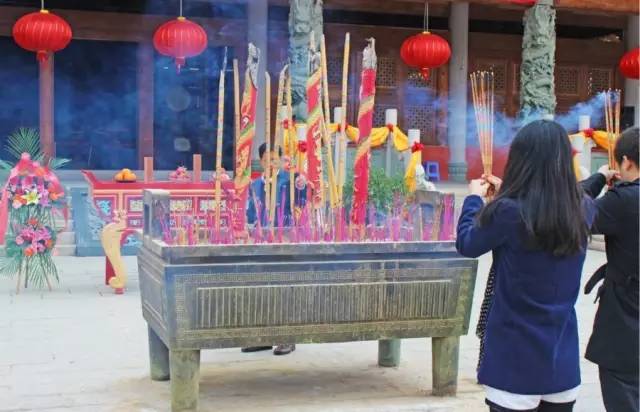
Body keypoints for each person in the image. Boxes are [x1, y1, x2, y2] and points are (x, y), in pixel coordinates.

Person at [456, 120, 595, 412]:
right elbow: (545, 208)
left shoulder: (508, 211)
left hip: (513, 361)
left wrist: (474, 200)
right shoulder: (583, 208)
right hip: (561, 361)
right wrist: (506, 194)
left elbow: (467, 244)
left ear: (520, 160)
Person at [581, 126, 639, 412]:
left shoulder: (624, 200)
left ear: (626, 161)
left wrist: (597, 179)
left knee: (624, 393)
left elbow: (571, 212)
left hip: (628, 319)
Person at [242, 142, 306, 356]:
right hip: (261, 243)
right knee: (260, 289)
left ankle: (287, 337)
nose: (270, 163)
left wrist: (301, 184)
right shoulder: (254, 185)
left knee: (283, 289)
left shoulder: (290, 181)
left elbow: (302, 199)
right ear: (260, 161)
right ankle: (262, 338)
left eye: (274, 159)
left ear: (280, 160)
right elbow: (250, 215)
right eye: (266, 159)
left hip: (283, 242)